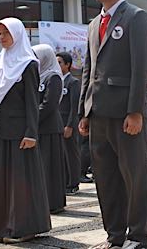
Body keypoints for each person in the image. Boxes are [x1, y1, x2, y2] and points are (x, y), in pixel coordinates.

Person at [79, 0, 147, 249]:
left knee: (135, 176)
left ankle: (138, 236)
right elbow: (89, 69)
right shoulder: (94, 24)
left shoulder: (136, 17)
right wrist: (84, 111)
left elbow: (141, 68)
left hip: (125, 113)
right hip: (98, 114)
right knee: (106, 178)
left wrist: (135, 111)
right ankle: (115, 236)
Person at [0, 19, 51, 243]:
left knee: (20, 181)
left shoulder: (28, 64)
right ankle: (1, 228)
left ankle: (22, 228)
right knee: (0, 182)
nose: (1, 38)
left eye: (6, 33)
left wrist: (31, 132)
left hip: (20, 133)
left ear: (18, 35)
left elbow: (32, 101)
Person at [33, 43, 68, 214]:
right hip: (39, 127)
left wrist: (32, 118)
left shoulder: (53, 77)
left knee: (50, 166)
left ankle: (54, 202)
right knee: (41, 167)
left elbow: (49, 104)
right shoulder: (38, 77)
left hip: (50, 127)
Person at [56, 51, 81, 195]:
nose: (57, 65)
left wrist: (70, 125)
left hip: (68, 123)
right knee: (62, 154)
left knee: (71, 154)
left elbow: (74, 106)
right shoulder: (57, 80)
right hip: (58, 123)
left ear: (68, 65)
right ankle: (65, 181)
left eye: (60, 62)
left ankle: (73, 182)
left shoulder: (73, 82)